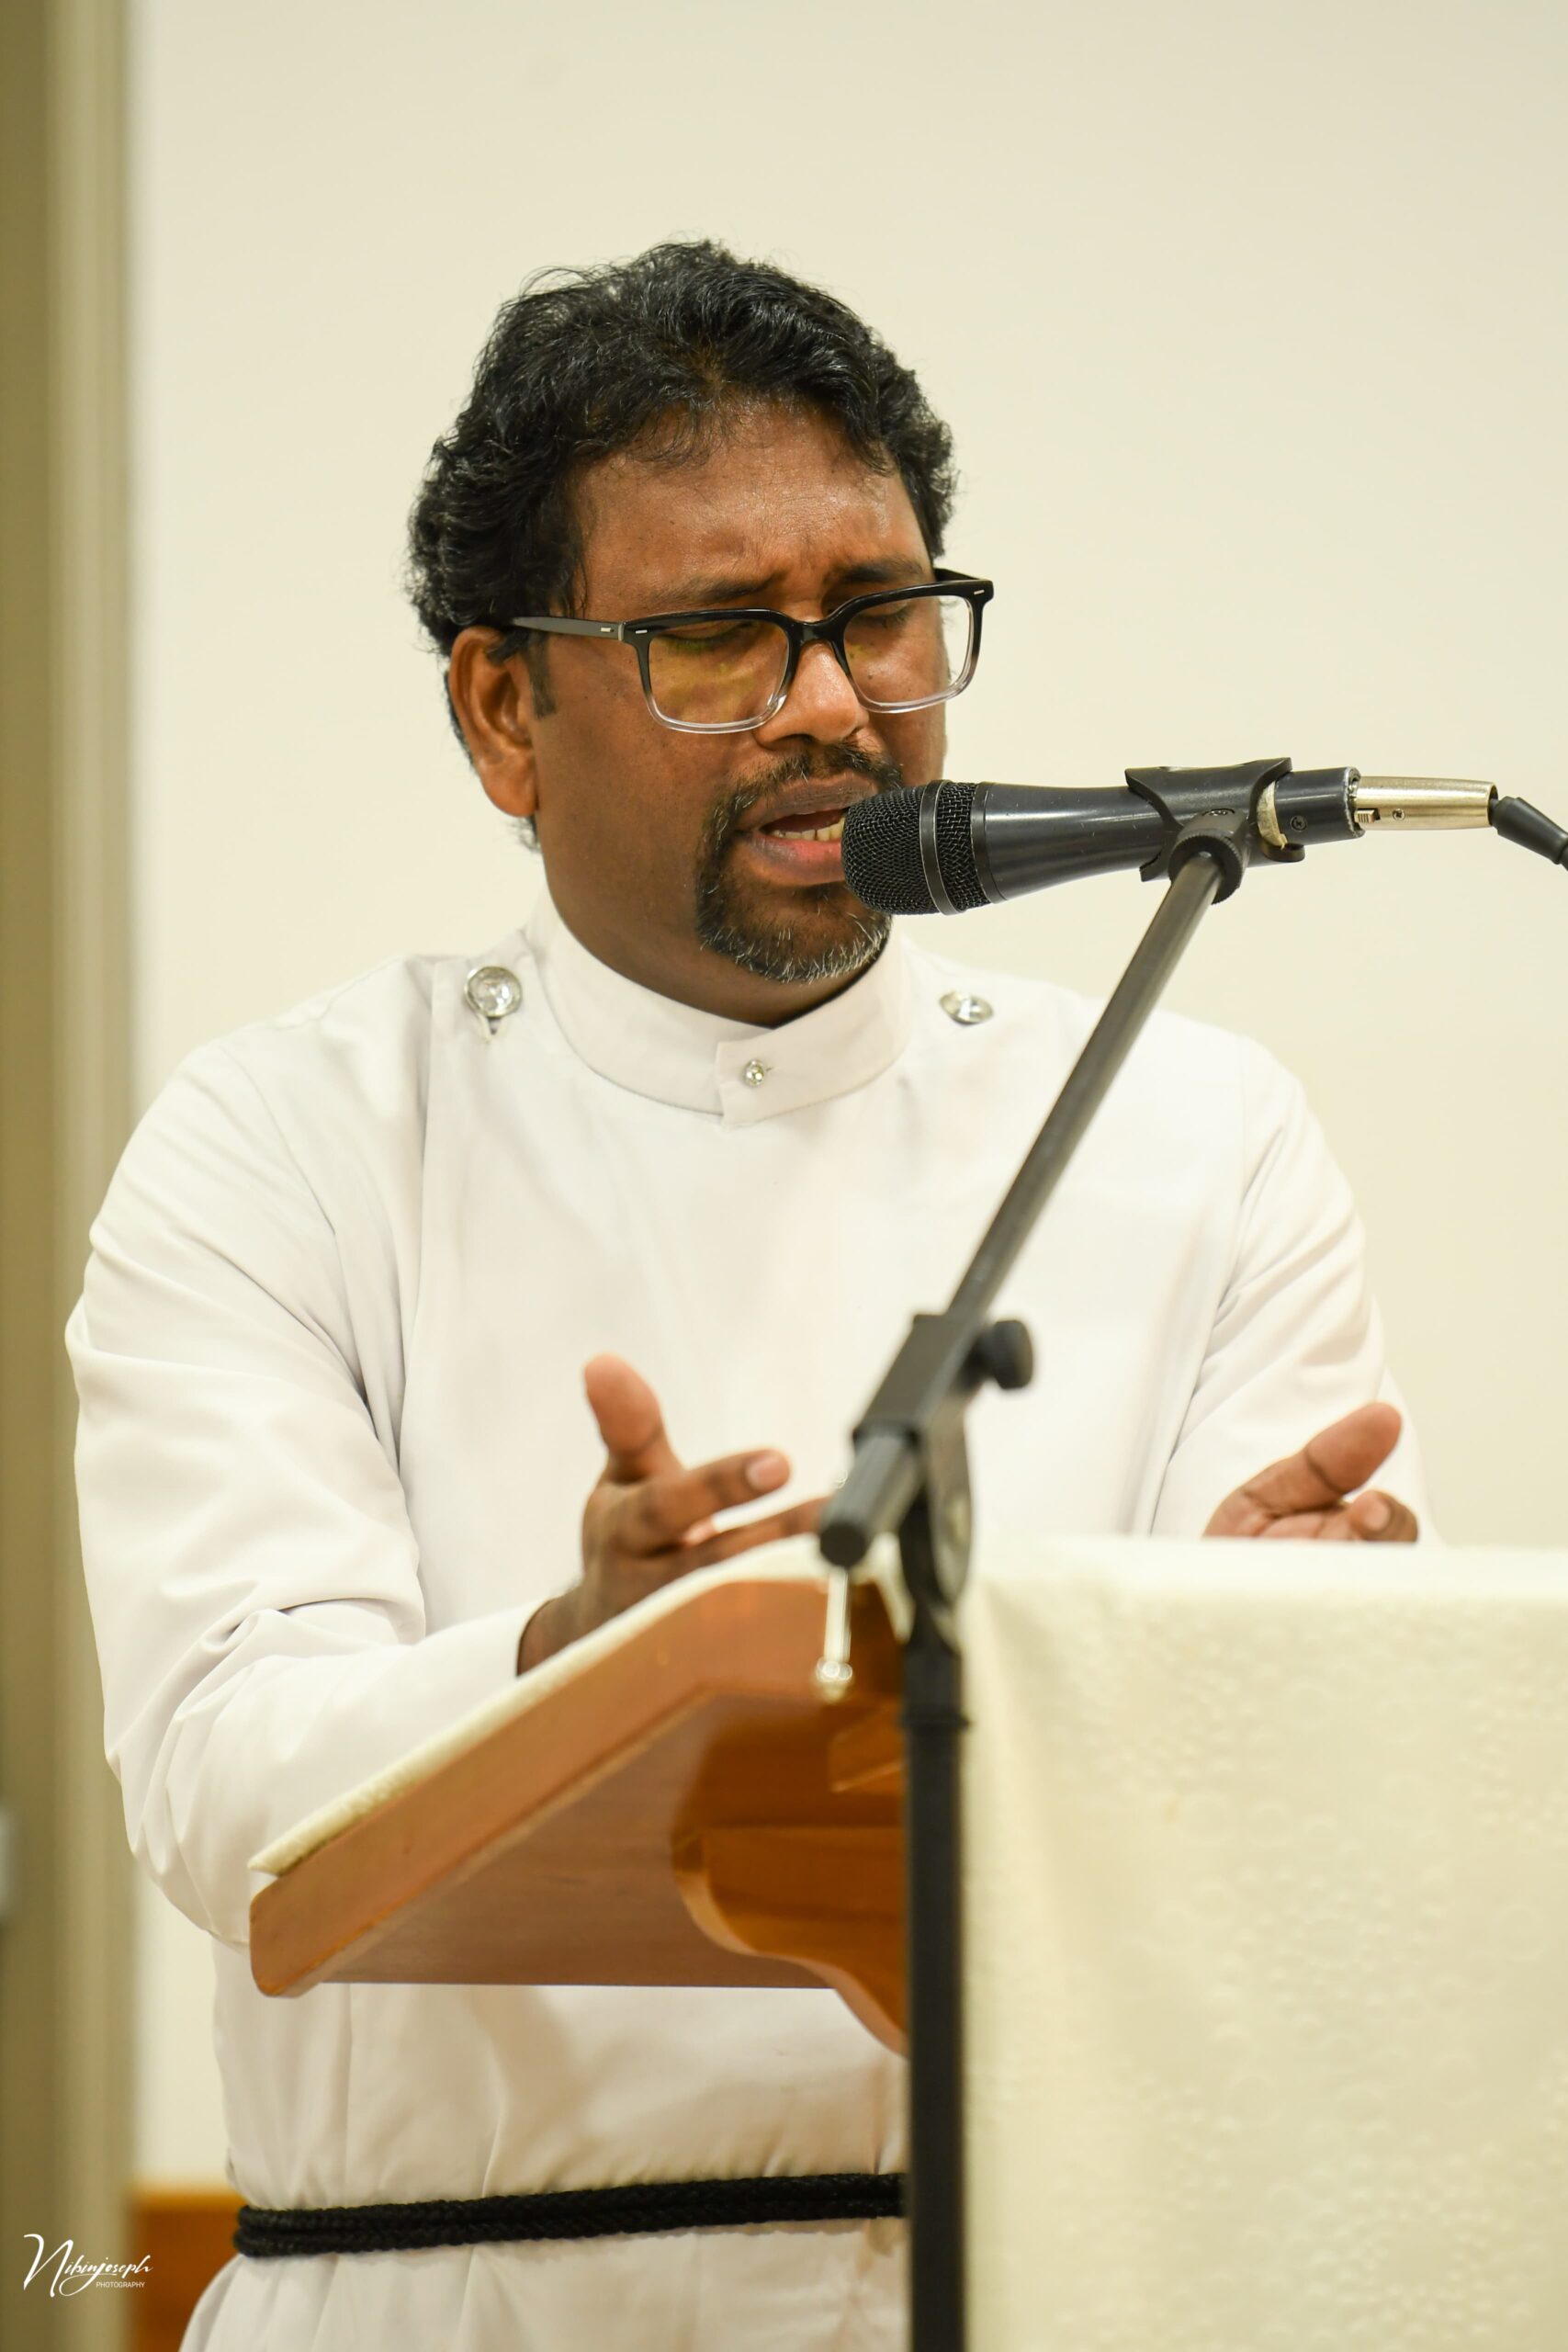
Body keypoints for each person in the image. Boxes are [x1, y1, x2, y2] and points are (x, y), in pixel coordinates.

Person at [68, 242, 1424, 2350]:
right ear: (502, 711)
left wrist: (1266, 1662)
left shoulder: (1185, 1121)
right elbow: (226, 1788)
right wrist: (569, 1668)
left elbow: (1269, 1858)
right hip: (463, 2301)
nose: (827, 706)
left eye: (878, 614)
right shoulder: (291, 1139)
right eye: (716, 636)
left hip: (1041, 2285)